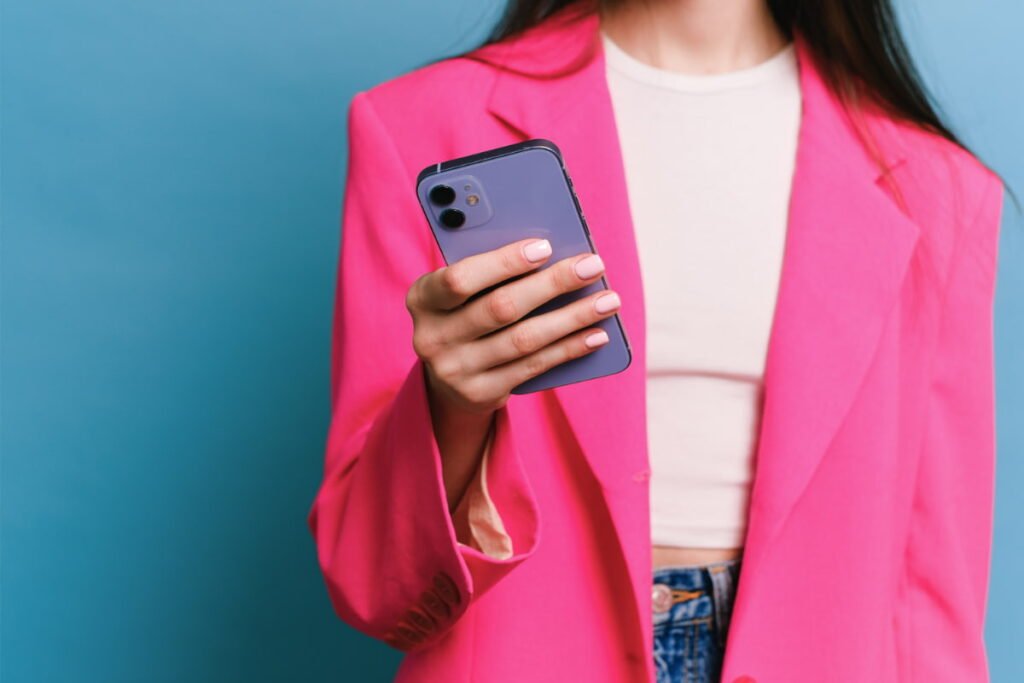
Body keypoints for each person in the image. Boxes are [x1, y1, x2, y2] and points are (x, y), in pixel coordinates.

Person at [307, 1, 1005, 681]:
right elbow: (374, 586)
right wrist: (451, 404)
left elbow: (933, 607)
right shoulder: (421, 125)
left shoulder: (943, 189)